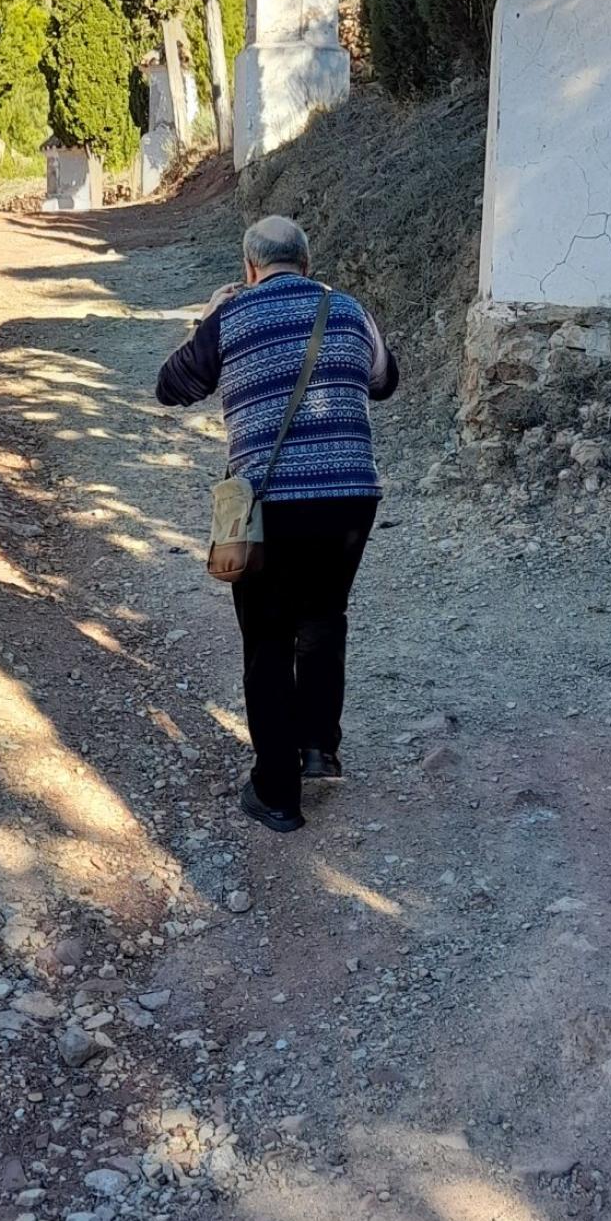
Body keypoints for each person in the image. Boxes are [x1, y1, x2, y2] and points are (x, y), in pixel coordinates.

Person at [155, 214, 398, 833]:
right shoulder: (349, 310)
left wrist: (206, 319)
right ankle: (318, 747)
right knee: (323, 617)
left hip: (271, 503)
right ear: (307, 265)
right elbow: (385, 381)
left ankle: (277, 793)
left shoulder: (231, 317)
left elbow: (172, 387)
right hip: (350, 499)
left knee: (267, 639)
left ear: (249, 268)